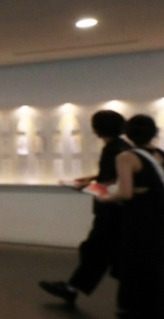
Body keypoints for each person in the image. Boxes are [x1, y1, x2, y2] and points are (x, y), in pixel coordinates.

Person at [95, 115, 164, 319]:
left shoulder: (126, 157)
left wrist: (103, 198)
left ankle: (146, 316)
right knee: (154, 265)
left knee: (136, 264)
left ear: (129, 134)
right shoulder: (162, 155)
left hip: (141, 213)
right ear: (154, 132)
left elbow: (125, 192)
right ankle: (151, 315)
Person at [40, 110, 131, 304]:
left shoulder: (112, 149)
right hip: (118, 211)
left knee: (94, 251)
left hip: (111, 211)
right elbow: (114, 177)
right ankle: (75, 288)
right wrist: (91, 179)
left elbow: (108, 184)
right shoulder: (122, 147)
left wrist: (82, 187)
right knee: (103, 253)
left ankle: (73, 288)